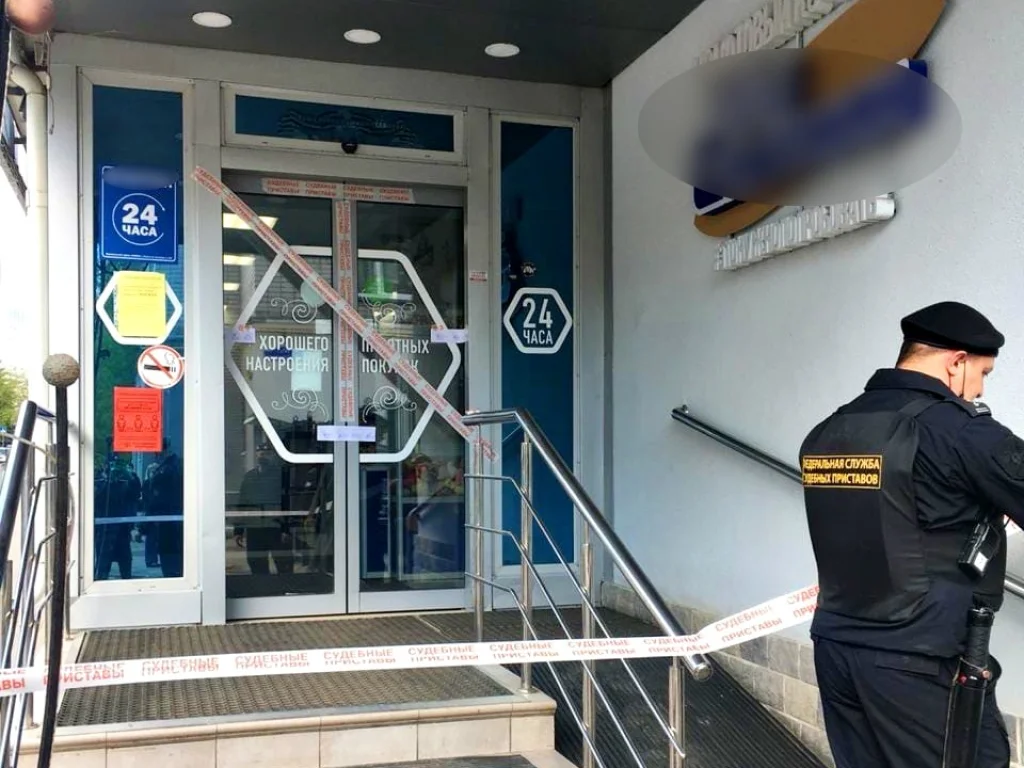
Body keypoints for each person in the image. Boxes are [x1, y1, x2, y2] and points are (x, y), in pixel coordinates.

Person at [798, 300, 1021, 768]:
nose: (980, 389)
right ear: (957, 362)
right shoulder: (959, 431)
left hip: (836, 646)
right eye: (983, 373)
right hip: (916, 660)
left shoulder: (832, 427)